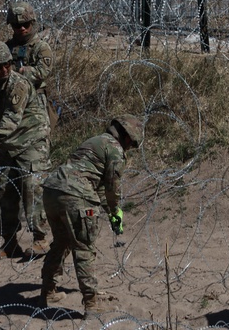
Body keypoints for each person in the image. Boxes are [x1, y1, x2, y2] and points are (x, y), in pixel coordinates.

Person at [38, 114, 143, 318]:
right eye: (132, 144)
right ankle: (91, 304)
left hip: (52, 190)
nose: (130, 148)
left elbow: (98, 185)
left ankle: (47, 292)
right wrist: (115, 210)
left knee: (61, 243)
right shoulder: (115, 150)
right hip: (75, 194)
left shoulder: (95, 141)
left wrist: (110, 211)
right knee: (84, 249)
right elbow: (111, 187)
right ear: (128, 138)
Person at [0, 41, 51, 258]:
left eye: (7, 64)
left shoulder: (19, 84)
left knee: (32, 189)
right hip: (5, 143)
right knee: (3, 193)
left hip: (31, 139)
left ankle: (40, 240)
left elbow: (9, 120)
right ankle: (9, 242)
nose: (4, 70)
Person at [5, 1, 55, 257]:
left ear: (33, 23)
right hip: (9, 121)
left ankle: (41, 237)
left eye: (25, 24)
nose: (22, 29)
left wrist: (18, 71)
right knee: (5, 184)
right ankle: (8, 240)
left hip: (34, 121)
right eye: (17, 25)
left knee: (33, 183)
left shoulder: (41, 47)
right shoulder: (6, 49)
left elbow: (41, 72)